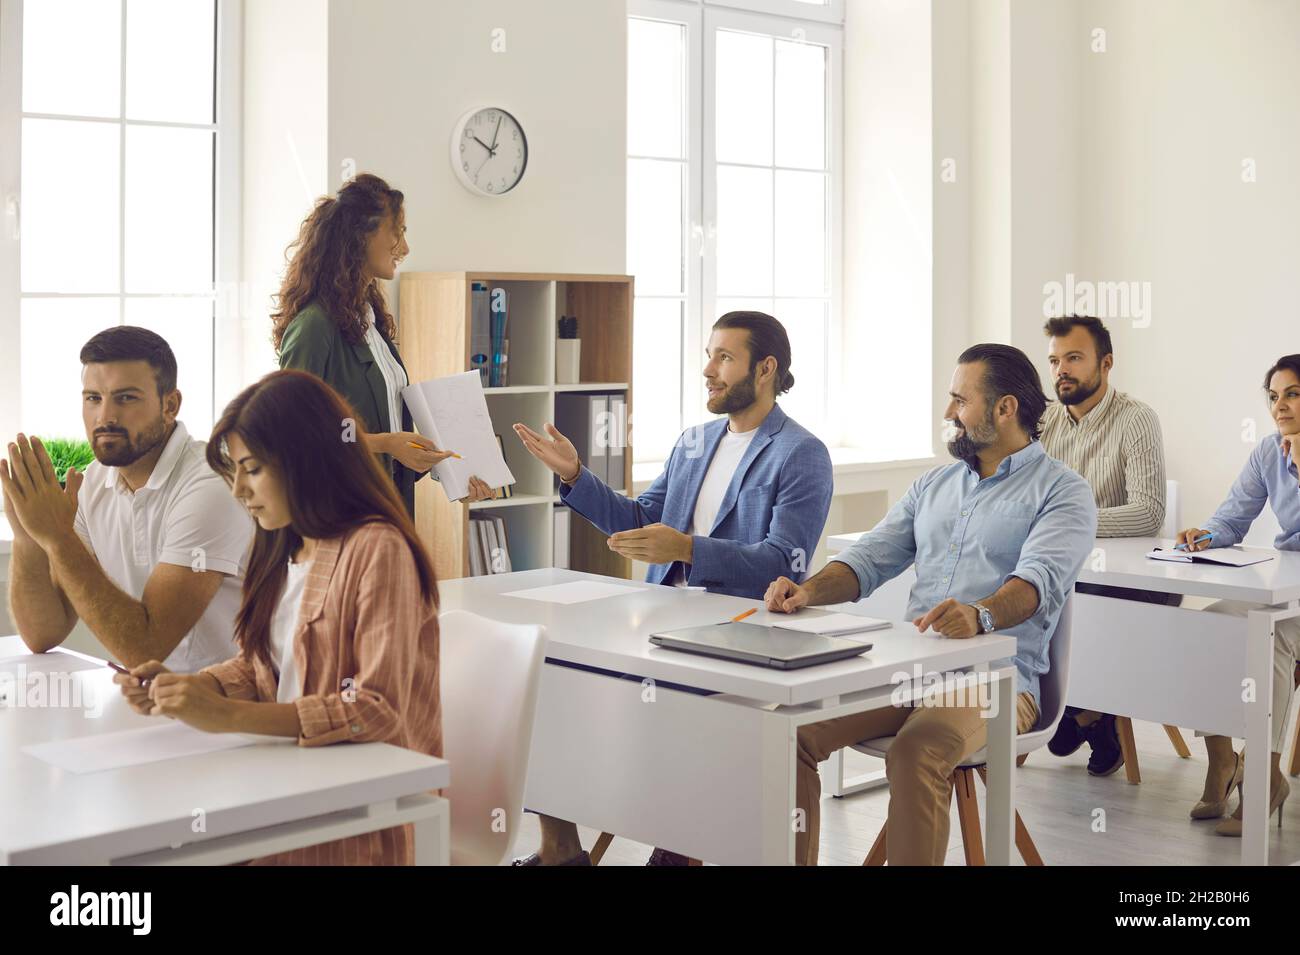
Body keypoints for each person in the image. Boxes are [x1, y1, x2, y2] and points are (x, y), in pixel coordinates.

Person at [510, 310, 833, 865]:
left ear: (766, 369)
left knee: (678, 723)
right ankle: (559, 851)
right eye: (709, 354)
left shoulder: (800, 453)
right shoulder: (694, 442)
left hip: (741, 635)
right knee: (548, 677)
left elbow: (784, 563)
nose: (708, 369)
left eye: (724, 357)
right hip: (661, 621)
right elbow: (640, 518)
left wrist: (685, 549)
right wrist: (574, 476)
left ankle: (674, 853)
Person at [765, 343, 1096, 865]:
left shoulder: (1064, 491)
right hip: (909, 672)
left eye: (959, 401)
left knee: (918, 750)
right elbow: (870, 558)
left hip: (1000, 683)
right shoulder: (933, 485)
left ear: (1005, 408)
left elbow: (1038, 583)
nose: (948, 414)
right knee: (789, 734)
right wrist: (808, 590)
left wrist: (980, 614)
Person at [113, 369, 442, 864]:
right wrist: (202, 688)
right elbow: (262, 666)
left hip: (357, 820)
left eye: (254, 469)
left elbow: (376, 710)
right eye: (235, 471)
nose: (239, 490)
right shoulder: (285, 543)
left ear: (306, 461)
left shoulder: (378, 549)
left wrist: (229, 717)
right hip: (284, 788)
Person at [2, 326, 252, 671]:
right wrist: (28, 535)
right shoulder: (93, 482)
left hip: (234, 712)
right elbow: (44, 632)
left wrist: (59, 538)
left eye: (126, 398)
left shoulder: (211, 484)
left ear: (170, 405)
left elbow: (146, 648)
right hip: (149, 702)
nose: (105, 417)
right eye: (93, 398)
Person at [272, 172, 491, 515]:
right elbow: (291, 433)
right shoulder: (315, 327)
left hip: (392, 510)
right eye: (398, 232)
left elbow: (390, 436)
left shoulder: (370, 323)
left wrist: (446, 469)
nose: (405, 248)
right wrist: (388, 444)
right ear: (361, 236)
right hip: (342, 516)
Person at [1038, 315, 1177, 776]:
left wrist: (1068, 523)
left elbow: (1147, 513)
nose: (1062, 370)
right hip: (1067, 571)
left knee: (1068, 602)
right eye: (1056, 359)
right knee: (1020, 589)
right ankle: (1089, 715)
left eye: (1074, 358)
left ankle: (1076, 711)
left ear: (1107, 363)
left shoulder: (1137, 419)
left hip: (1131, 582)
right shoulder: (1042, 423)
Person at [1174, 354, 1300, 836]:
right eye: (1273, 396)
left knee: (1271, 638)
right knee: (1212, 623)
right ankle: (1223, 762)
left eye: (1292, 394)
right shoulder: (1269, 452)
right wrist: (1203, 535)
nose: (1279, 406)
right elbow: (1232, 517)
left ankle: (1267, 780)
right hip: (1287, 582)